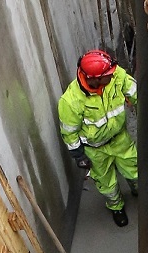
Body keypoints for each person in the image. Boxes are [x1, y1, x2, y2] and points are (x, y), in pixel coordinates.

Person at [58, 49, 138, 227]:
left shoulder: (116, 76)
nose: (113, 74)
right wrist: (79, 156)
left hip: (119, 139)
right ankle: (116, 207)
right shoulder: (71, 102)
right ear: (93, 79)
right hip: (95, 151)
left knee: (134, 168)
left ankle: (138, 190)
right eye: (107, 75)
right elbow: (69, 132)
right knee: (106, 183)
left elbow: (136, 92)